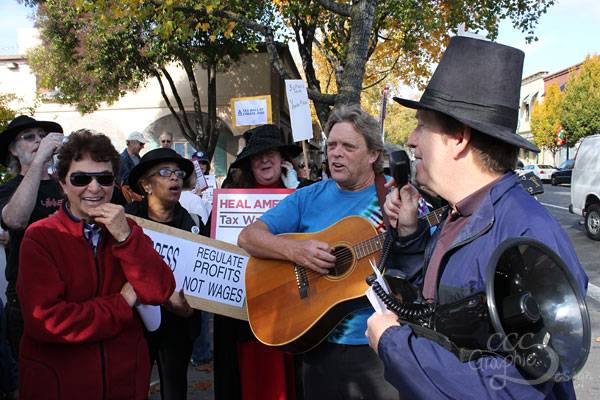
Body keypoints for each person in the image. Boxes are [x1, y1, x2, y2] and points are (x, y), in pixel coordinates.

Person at [365, 36, 588, 399]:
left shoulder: (529, 234)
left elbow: (516, 387)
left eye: (422, 126)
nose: (411, 140)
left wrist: (395, 346)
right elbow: (447, 303)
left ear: (459, 138)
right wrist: (408, 237)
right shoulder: (459, 212)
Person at [237, 109, 399, 399]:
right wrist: (295, 250)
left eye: (348, 146)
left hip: (379, 347)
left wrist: (411, 231)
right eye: (332, 145)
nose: (336, 154)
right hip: (318, 344)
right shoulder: (307, 197)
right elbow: (248, 236)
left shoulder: (395, 197)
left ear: (373, 154)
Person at [16, 129, 175, 399]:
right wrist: (121, 304)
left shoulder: (128, 229)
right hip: (62, 385)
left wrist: (125, 236)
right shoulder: (41, 237)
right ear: (63, 183)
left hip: (125, 382)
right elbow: (48, 322)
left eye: (104, 178)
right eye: (81, 178)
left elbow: (160, 290)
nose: (94, 187)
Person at [214, 124, 302, 400]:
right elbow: (212, 249)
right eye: (257, 155)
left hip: (296, 305)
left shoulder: (305, 194)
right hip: (247, 311)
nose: (265, 160)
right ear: (250, 164)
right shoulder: (230, 200)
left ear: (282, 158)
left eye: (271, 153)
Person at [126, 147, 207, 400]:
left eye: (178, 173)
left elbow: (204, 275)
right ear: (146, 185)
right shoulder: (127, 222)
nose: (175, 178)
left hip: (179, 325)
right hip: (134, 323)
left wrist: (191, 307)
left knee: (175, 391)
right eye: (164, 173)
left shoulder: (194, 223)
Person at [0, 115, 65, 360]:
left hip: (68, 292)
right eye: (29, 138)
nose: (39, 141)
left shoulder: (66, 185)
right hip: (27, 300)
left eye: (42, 135)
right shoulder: (8, 189)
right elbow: (15, 219)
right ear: (14, 150)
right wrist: (38, 162)